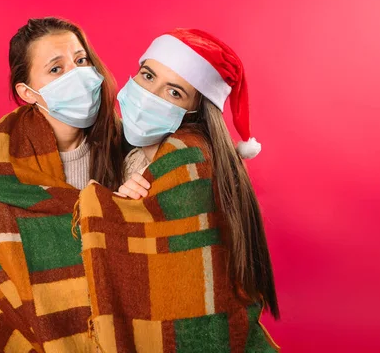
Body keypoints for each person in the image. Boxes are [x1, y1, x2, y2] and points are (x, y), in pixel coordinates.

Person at [75, 29, 280, 352]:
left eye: (173, 93)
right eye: (147, 75)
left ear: (195, 112)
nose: (149, 95)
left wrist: (116, 212)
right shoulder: (131, 157)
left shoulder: (191, 164)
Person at [0, 17, 124, 352]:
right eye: (56, 69)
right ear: (28, 92)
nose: (76, 74)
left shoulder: (129, 145)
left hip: (120, 325)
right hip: (31, 332)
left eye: (81, 60)